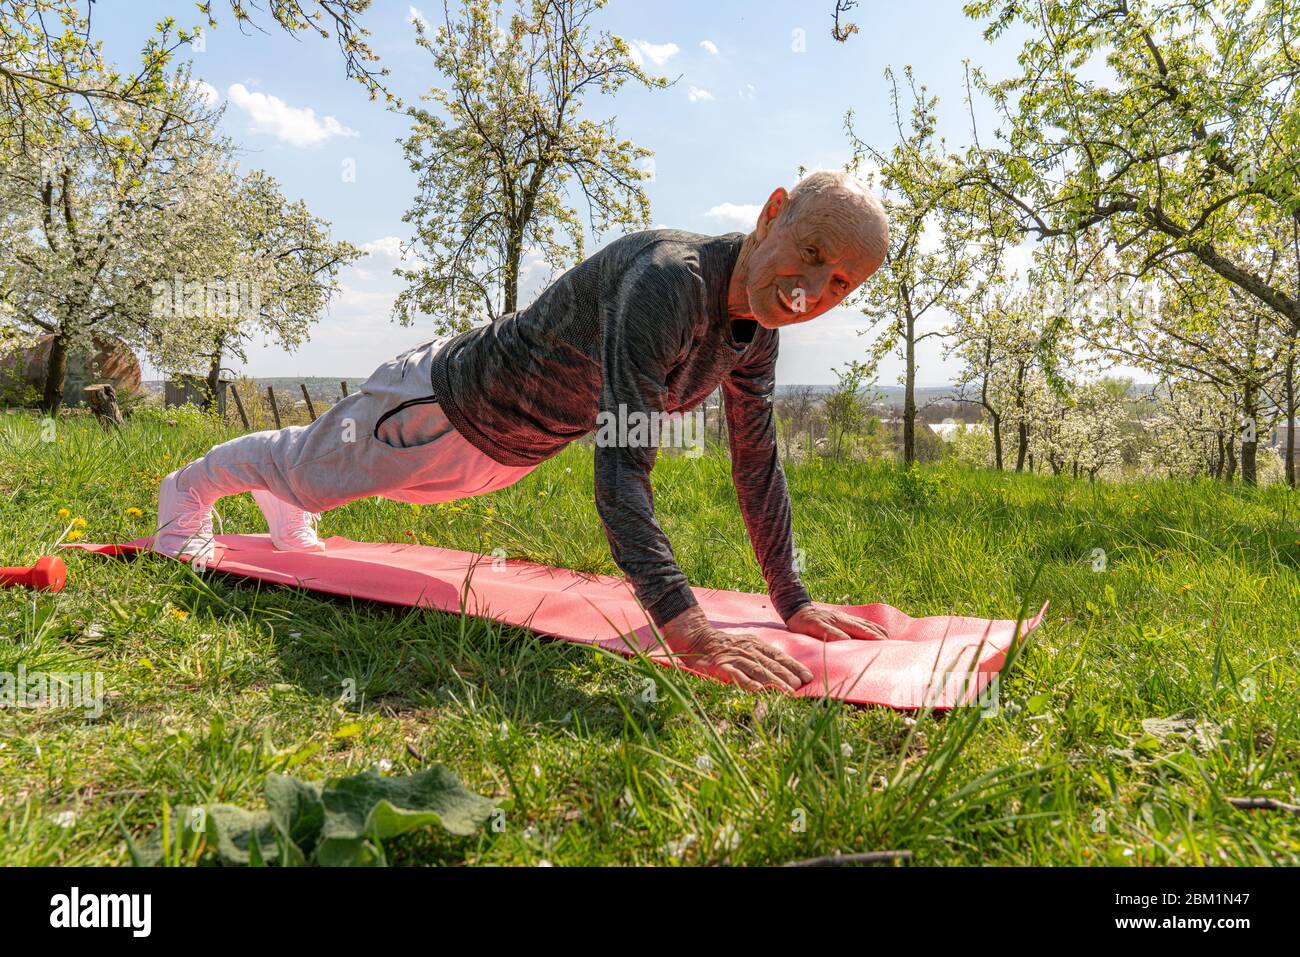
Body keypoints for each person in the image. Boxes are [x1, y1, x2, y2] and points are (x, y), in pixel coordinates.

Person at [155, 170, 890, 693]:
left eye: (839, 283)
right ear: (771, 216)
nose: (810, 289)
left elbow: (757, 463)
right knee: (303, 466)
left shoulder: (756, 332)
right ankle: (187, 490)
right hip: (437, 406)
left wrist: (790, 597)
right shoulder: (670, 281)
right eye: (812, 252)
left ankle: (291, 502)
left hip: (508, 448)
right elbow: (622, 466)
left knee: (315, 479)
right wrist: (685, 625)